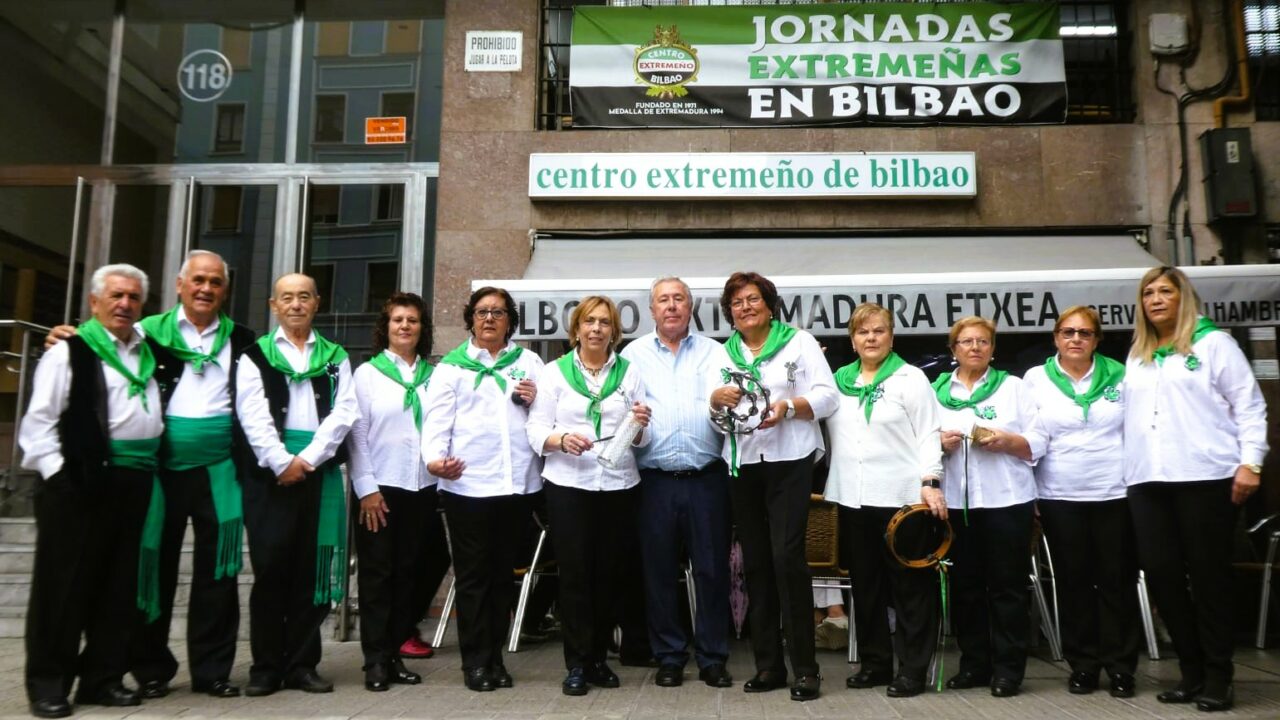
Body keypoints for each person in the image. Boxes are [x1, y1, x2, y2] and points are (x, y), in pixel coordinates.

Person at [44, 250, 255, 701]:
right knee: (151, 571)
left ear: (225, 290)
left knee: (218, 576)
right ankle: (150, 668)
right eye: (198, 280)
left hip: (219, 471)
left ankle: (213, 670)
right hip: (158, 472)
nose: (206, 289)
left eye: (216, 282)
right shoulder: (146, 332)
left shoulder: (244, 340)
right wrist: (67, 335)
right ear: (180, 285)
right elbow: (103, 342)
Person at [20, 264, 163, 718]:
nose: (125, 304)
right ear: (95, 302)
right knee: (62, 589)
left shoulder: (147, 350)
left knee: (117, 588)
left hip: (134, 481)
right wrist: (60, 477)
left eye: (134, 298)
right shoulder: (69, 352)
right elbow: (39, 422)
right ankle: (49, 683)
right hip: (79, 482)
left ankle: (102, 679)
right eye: (117, 296)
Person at [1124, 266, 1268, 712]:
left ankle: (1219, 676)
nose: (1156, 299)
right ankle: (1190, 671)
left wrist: (1251, 463)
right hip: (1148, 480)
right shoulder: (1138, 354)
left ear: (1183, 296)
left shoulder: (1214, 344)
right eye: (1148, 293)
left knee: (1209, 578)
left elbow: (1250, 406)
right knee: (1163, 576)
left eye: (1165, 291)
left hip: (1204, 476)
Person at [708, 271, 838, 702]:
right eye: (737, 303)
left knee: (787, 558)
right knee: (756, 563)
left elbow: (829, 396)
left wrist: (790, 407)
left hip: (790, 460)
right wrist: (716, 403)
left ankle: (806, 668)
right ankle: (769, 666)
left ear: (769, 303)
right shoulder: (721, 354)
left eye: (752, 299)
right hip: (743, 463)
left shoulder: (799, 342)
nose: (745, 308)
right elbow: (712, 415)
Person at [234, 273, 357, 696]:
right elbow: (252, 415)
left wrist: (308, 459)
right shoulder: (255, 356)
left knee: (313, 573)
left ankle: (303, 664)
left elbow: (344, 413)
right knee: (271, 572)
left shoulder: (336, 356)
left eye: (304, 297)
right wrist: (281, 461)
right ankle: (266, 667)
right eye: (287, 298)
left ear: (316, 303)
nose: (296, 304)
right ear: (274, 305)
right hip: (270, 476)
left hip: (316, 473)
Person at [527, 295, 652, 697]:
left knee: (610, 575)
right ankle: (577, 663)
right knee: (577, 576)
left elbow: (640, 437)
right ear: (576, 329)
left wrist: (642, 424)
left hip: (618, 486)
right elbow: (535, 430)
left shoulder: (629, 373)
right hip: (570, 486)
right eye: (589, 322)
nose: (596, 329)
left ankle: (598, 659)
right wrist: (562, 439)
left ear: (614, 331)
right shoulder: (554, 373)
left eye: (604, 323)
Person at [420, 286, 543, 692]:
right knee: (473, 579)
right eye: (481, 312)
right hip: (468, 486)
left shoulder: (528, 362)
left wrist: (533, 400)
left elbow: (546, 415)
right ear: (470, 318)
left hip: (517, 485)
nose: (489, 318)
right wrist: (435, 460)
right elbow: (436, 423)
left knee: (503, 577)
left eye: (498, 312)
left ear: (510, 320)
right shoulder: (451, 368)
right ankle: (476, 663)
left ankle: (497, 659)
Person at [824, 302, 945, 698]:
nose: (871, 338)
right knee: (866, 587)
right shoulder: (838, 382)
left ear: (891, 336)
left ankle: (912, 668)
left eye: (878, 331)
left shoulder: (911, 380)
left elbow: (929, 433)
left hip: (902, 498)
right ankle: (876, 664)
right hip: (853, 497)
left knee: (910, 588)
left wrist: (931, 481)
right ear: (852, 340)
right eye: (863, 332)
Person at [620, 277, 733, 689]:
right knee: (659, 571)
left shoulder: (716, 353)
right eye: (663, 300)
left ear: (691, 307)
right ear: (651, 310)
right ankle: (668, 656)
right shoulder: (631, 356)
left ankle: (713, 657)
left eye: (678, 299)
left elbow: (733, 410)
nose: (671, 306)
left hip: (707, 478)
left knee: (712, 570)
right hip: (654, 482)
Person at [1023, 305, 1138, 698]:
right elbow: (1029, 436)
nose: (1075, 339)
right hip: (1058, 495)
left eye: (1084, 333)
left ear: (1097, 340)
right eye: (1068, 332)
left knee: (1116, 582)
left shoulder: (1122, 376)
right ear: (1055, 337)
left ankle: (1122, 667)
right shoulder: (1036, 379)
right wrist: (1031, 490)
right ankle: (1084, 666)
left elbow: (1137, 432)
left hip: (1115, 492)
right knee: (1073, 583)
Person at [348, 292, 447, 692]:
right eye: (397, 320)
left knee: (408, 575)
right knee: (377, 577)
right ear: (385, 327)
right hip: (380, 489)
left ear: (422, 329)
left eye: (413, 320)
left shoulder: (436, 376)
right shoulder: (367, 375)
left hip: (421, 487)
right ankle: (374, 661)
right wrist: (366, 489)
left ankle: (394, 654)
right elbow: (356, 436)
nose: (405, 326)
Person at [935, 316, 1038, 698]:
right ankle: (974, 664)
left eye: (983, 342)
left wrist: (1008, 442)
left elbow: (1038, 438)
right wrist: (939, 443)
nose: (975, 347)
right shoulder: (937, 391)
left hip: (1005, 499)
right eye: (966, 342)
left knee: (1007, 588)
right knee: (966, 587)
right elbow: (921, 442)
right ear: (953, 350)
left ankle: (1009, 669)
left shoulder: (1014, 387)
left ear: (993, 350)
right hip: (958, 502)